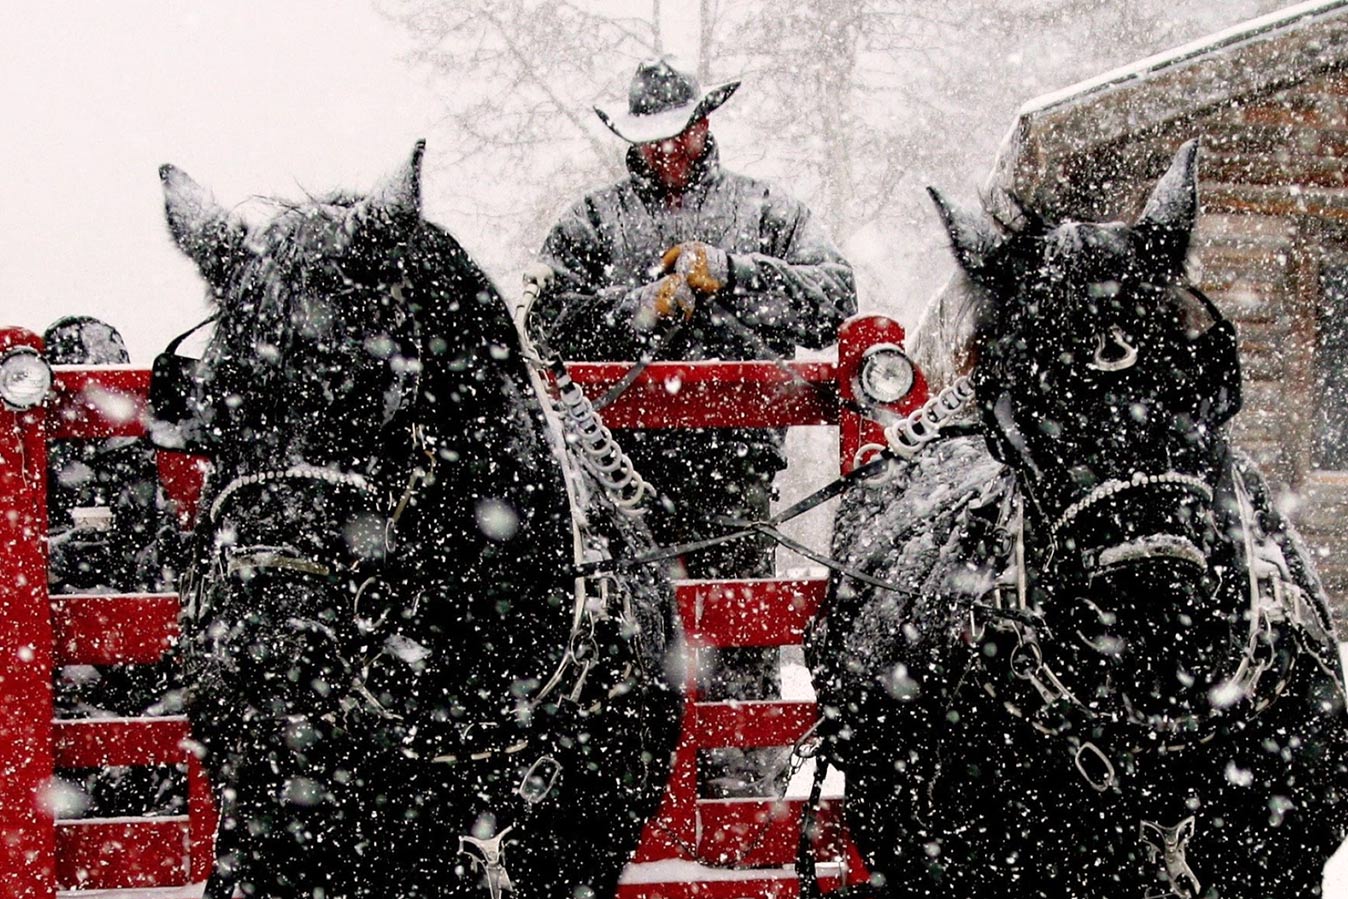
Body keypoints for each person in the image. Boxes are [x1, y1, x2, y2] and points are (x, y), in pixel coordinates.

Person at [527, 57, 857, 801]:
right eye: (652, 142)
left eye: (678, 136)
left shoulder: (766, 211)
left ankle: (744, 808)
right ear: (631, 142)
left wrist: (736, 273)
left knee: (739, 643)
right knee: (621, 649)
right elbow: (543, 317)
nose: (667, 152)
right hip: (609, 486)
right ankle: (633, 812)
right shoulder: (588, 221)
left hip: (736, 478)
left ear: (705, 123)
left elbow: (834, 297)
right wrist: (642, 307)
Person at [44, 315, 184, 817]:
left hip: (143, 657)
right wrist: (58, 554)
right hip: (61, 662)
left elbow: (174, 541)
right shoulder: (25, 458)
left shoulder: (150, 457)